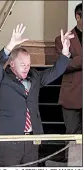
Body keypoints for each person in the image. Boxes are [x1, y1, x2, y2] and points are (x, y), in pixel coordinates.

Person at [0, 24, 74, 167]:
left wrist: (65, 52)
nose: (26, 68)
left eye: (28, 65)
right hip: (8, 142)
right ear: (11, 64)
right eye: (22, 65)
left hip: (32, 140)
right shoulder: (1, 79)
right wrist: (10, 46)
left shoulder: (34, 76)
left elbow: (54, 72)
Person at [55, 3, 82, 135]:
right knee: (73, 137)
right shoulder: (62, 40)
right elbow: (62, 66)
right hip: (72, 97)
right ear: (78, 17)